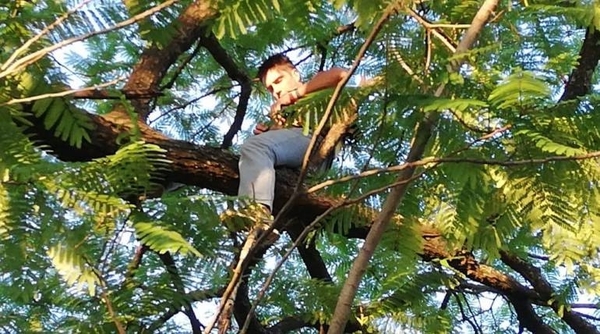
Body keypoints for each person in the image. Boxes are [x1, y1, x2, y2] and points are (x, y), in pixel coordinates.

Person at [236, 54, 348, 218]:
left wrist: (294, 95)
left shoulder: (316, 87)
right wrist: (269, 132)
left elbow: (340, 75)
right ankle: (261, 227)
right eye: (271, 89)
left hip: (315, 143)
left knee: (256, 146)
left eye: (278, 81)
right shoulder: (282, 111)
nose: (276, 91)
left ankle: (256, 213)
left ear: (295, 74)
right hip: (297, 160)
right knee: (255, 147)